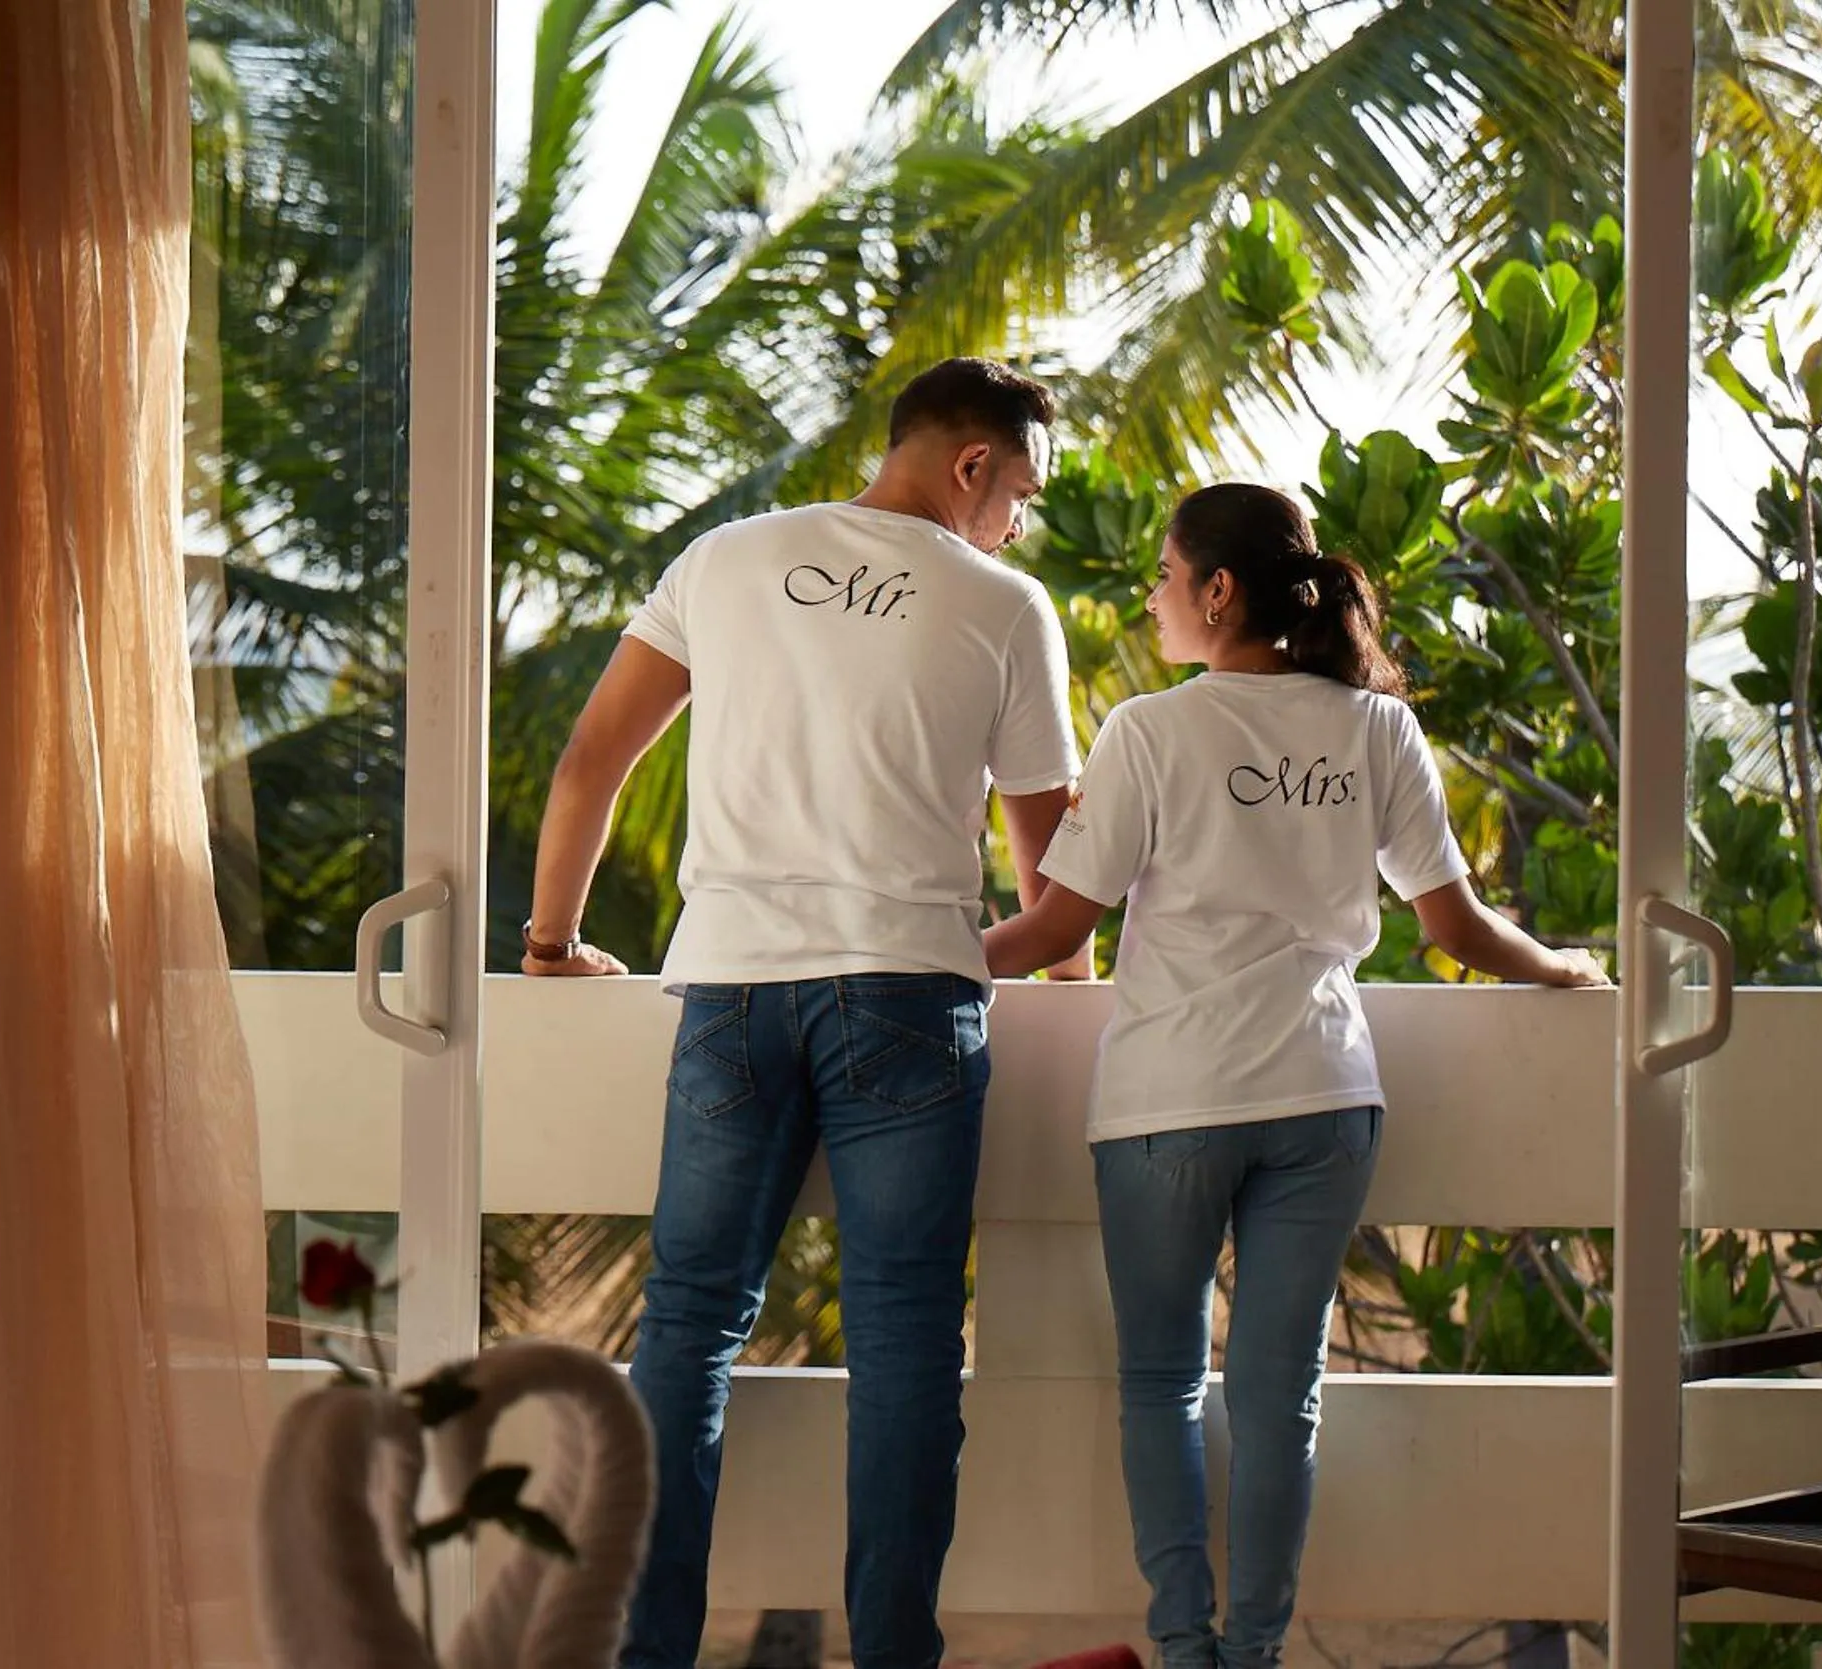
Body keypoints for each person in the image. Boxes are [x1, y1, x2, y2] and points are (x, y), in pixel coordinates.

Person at [517, 357, 1089, 1669]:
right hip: (909, 993)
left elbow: (590, 758)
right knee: (904, 1340)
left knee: (687, 1321)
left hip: (731, 983)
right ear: (971, 467)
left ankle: (648, 1654)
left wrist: (551, 943)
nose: (1019, 522)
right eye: (1022, 493)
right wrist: (1068, 987)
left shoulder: (723, 559)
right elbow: (1047, 869)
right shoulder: (1002, 604)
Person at [983, 482, 1607, 1669]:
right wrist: (1559, 966)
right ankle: (1255, 1653)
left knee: (1160, 1383)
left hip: (1167, 1103)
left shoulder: (1148, 731)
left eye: (1165, 576)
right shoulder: (1378, 729)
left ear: (1218, 591)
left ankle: (1184, 1646)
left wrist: (923, 957)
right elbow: (1453, 926)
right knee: (1281, 1398)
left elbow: (1058, 925)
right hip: (1323, 1097)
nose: (1153, 597)